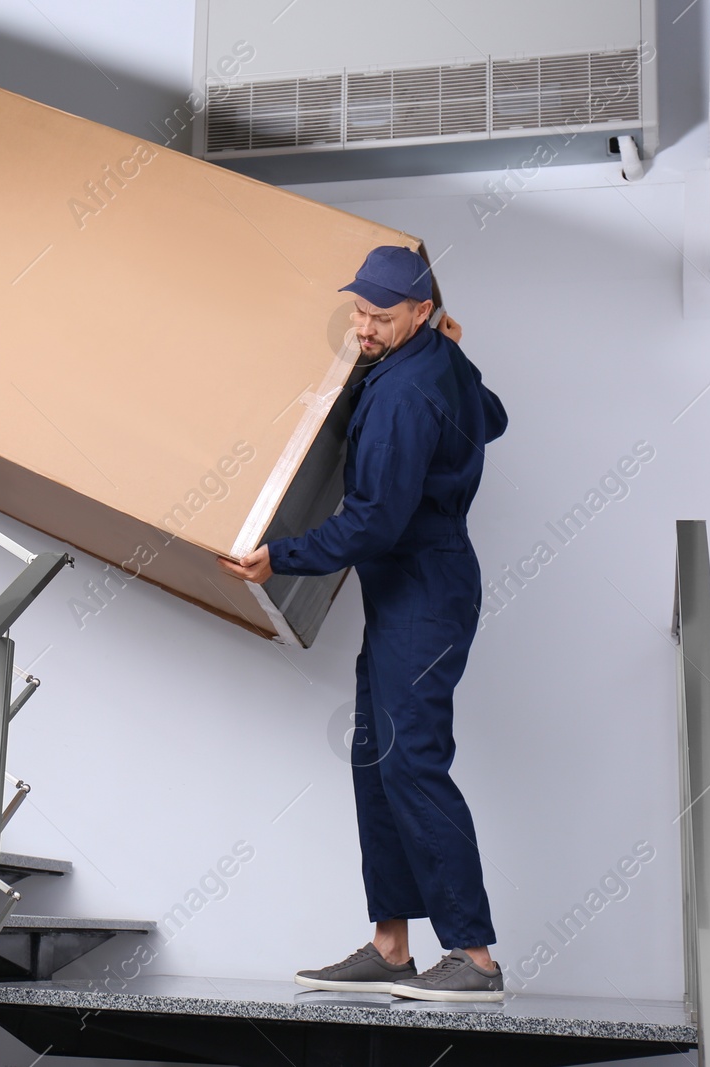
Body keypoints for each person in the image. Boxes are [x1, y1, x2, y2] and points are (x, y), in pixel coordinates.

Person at [218, 245, 508, 1003]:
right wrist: (457, 349)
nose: (364, 326)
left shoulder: (406, 394)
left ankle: (474, 958)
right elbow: (496, 419)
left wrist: (279, 555)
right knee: (376, 756)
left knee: (411, 759)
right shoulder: (435, 361)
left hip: (423, 589)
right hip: (410, 590)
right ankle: (391, 946)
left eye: (380, 316)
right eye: (359, 310)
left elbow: (374, 523)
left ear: (418, 310)